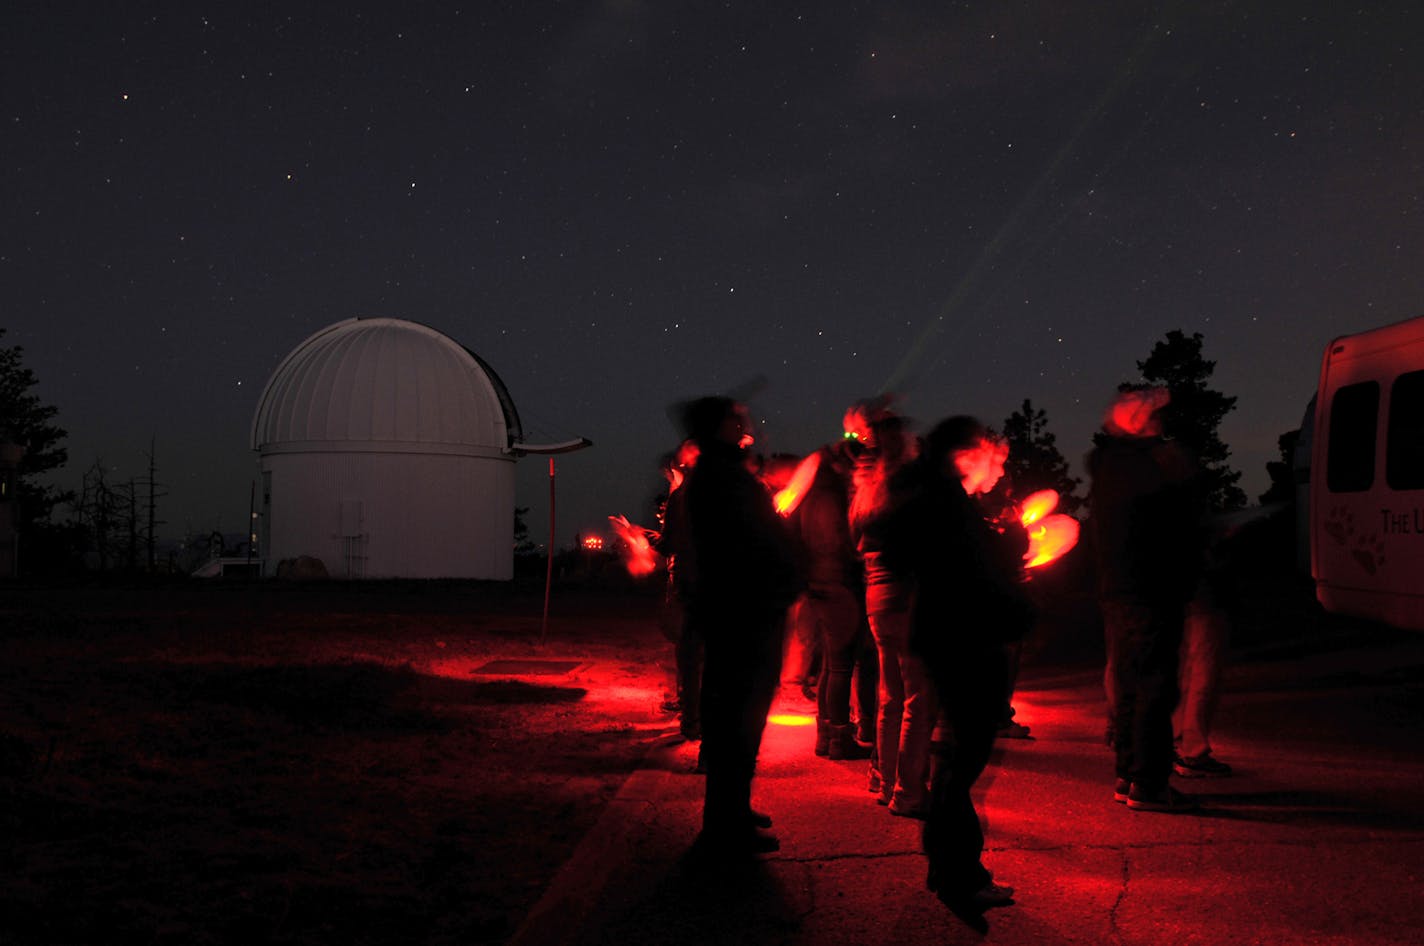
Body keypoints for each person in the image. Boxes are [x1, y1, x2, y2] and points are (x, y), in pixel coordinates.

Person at [875, 416, 1033, 914]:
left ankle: (951, 869)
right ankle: (957, 874)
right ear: (966, 455)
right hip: (964, 641)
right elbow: (965, 567)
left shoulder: (940, 500)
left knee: (957, 761)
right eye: (991, 454)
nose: (997, 466)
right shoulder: (941, 503)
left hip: (956, 637)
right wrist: (1007, 545)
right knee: (959, 764)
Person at [680, 396, 803, 857]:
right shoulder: (722, 478)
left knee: (739, 720)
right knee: (737, 720)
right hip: (743, 613)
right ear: (718, 427)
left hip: (744, 610)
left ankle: (732, 809)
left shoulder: (725, 474)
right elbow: (748, 544)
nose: (745, 423)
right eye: (736, 418)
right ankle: (724, 826)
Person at [1087, 386, 1206, 812]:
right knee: (1154, 684)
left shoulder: (1111, 468)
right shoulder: (1149, 467)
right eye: (1153, 417)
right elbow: (1172, 525)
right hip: (1151, 588)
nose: (1161, 423)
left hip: (1119, 589)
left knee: (1129, 682)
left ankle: (1129, 773)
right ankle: (1150, 782)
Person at [847, 400, 936, 817]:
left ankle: (883, 780)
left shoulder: (866, 486)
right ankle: (908, 791)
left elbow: (855, 538)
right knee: (918, 696)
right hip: (907, 592)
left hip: (876, 592)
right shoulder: (909, 484)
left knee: (889, 694)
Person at [788, 441, 872, 761]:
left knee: (829, 663)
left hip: (820, 583)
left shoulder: (811, 494)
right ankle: (839, 736)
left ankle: (825, 735)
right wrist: (858, 555)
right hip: (838, 582)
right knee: (841, 666)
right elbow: (840, 542)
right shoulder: (832, 496)